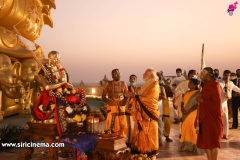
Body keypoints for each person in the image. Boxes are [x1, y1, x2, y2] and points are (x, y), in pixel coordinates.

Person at [32, 51, 79, 137]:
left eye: (59, 58)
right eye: (55, 58)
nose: (58, 60)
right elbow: (47, 87)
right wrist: (61, 83)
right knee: (59, 100)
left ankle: (75, 119)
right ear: (50, 58)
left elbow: (70, 85)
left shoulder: (62, 70)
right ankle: (62, 129)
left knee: (76, 97)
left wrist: (70, 86)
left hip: (63, 92)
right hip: (50, 94)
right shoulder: (44, 70)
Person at [126, 68, 159, 160]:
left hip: (149, 116)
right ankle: (141, 155)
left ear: (151, 75)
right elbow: (140, 97)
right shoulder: (147, 84)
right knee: (139, 136)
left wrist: (135, 96)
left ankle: (150, 156)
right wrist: (133, 97)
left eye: (145, 73)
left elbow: (151, 100)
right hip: (141, 115)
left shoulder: (155, 85)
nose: (143, 74)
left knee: (150, 138)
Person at [196, 67, 223, 160]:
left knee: (213, 143)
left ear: (208, 75)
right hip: (205, 118)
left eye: (203, 73)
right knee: (207, 143)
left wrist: (202, 100)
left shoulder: (215, 85)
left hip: (212, 118)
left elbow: (216, 105)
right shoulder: (205, 86)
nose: (201, 74)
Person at [179, 78, 204, 155]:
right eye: (189, 83)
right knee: (185, 128)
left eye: (190, 83)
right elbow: (182, 102)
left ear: (195, 85)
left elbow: (198, 104)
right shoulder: (186, 92)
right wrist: (182, 109)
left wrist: (189, 110)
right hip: (185, 113)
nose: (188, 84)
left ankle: (195, 147)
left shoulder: (198, 93)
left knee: (192, 129)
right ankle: (186, 146)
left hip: (192, 113)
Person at [102, 69, 128, 137]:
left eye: (119, 73)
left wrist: (124, 101)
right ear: (112, 76)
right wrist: (110, 102)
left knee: (122, 121)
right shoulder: (108, 84)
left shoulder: (124, 83)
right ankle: (111, 136)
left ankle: (122, 137)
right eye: (116, 73)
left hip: (121, 106)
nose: (118, 74)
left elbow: (126, 95)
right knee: (111, 121)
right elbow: (103, 96)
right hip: (111, 105)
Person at [173, 70, 197, 137]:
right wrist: (183, 97)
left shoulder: (197, 84)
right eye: (194, 74)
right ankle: (182, 133)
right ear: (189, 75)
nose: (195, 76)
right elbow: (177, 93)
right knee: (182, 119)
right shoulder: (183, 83)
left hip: (194, 106)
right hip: (183, 104)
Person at [218, 70, 240, 139]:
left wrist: (228, 83)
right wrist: (225, 82)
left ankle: (225, 134)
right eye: (226, 75)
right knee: (218, 119)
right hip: (218, 102)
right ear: (223, 75)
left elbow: (237, 89)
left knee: (226, 118)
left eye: (228, 76)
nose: (227, 77)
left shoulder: (231, 83)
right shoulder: (219, 82)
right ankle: (218, 133)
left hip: (225, 103)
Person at [157, 72, 173, 143]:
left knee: (167, 122)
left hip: (165, 104)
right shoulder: (154, 86)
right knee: (159, 122)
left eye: (161, 77)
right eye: (158, 77)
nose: (160, 78)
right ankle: (158, 138)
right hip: (158, 105)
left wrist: (164, 93)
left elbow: (171, 94)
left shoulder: (166, 86)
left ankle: (167, 136)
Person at [126, 74, 140, 145]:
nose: (132, 80)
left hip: (136, 110)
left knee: (136, 126)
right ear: (129, 80)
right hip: (129, 109)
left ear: (136, 80)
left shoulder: (138, 89)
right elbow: (127, 97)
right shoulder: (127, 88)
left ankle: (135, 141)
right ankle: (129, 141)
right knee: (129, 126)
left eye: (134, 79)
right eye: (131, 79)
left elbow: (140, 98)